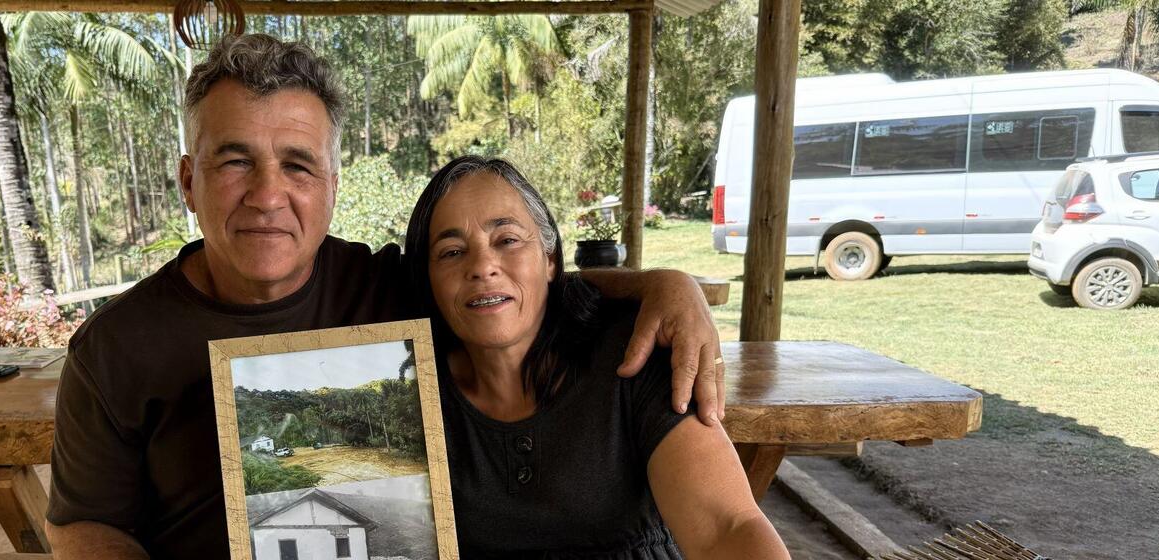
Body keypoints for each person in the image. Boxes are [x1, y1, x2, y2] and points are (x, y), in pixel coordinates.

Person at [45, 34, 726, 559]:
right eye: (234, 161)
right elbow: (83, 523)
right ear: (189, 180)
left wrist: (667, 286)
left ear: (332, 186)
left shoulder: (384, 286)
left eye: (297, 164)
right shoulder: (114, 349)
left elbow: (507, 282)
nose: (268, 194)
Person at [404, 155, 790, 559]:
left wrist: (670, 283)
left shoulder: (631, 356)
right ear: (427, 278)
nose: (482, 266)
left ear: (550, 261)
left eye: (507, 240)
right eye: (451, 252)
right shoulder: (413, 390)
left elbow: (726, 528)